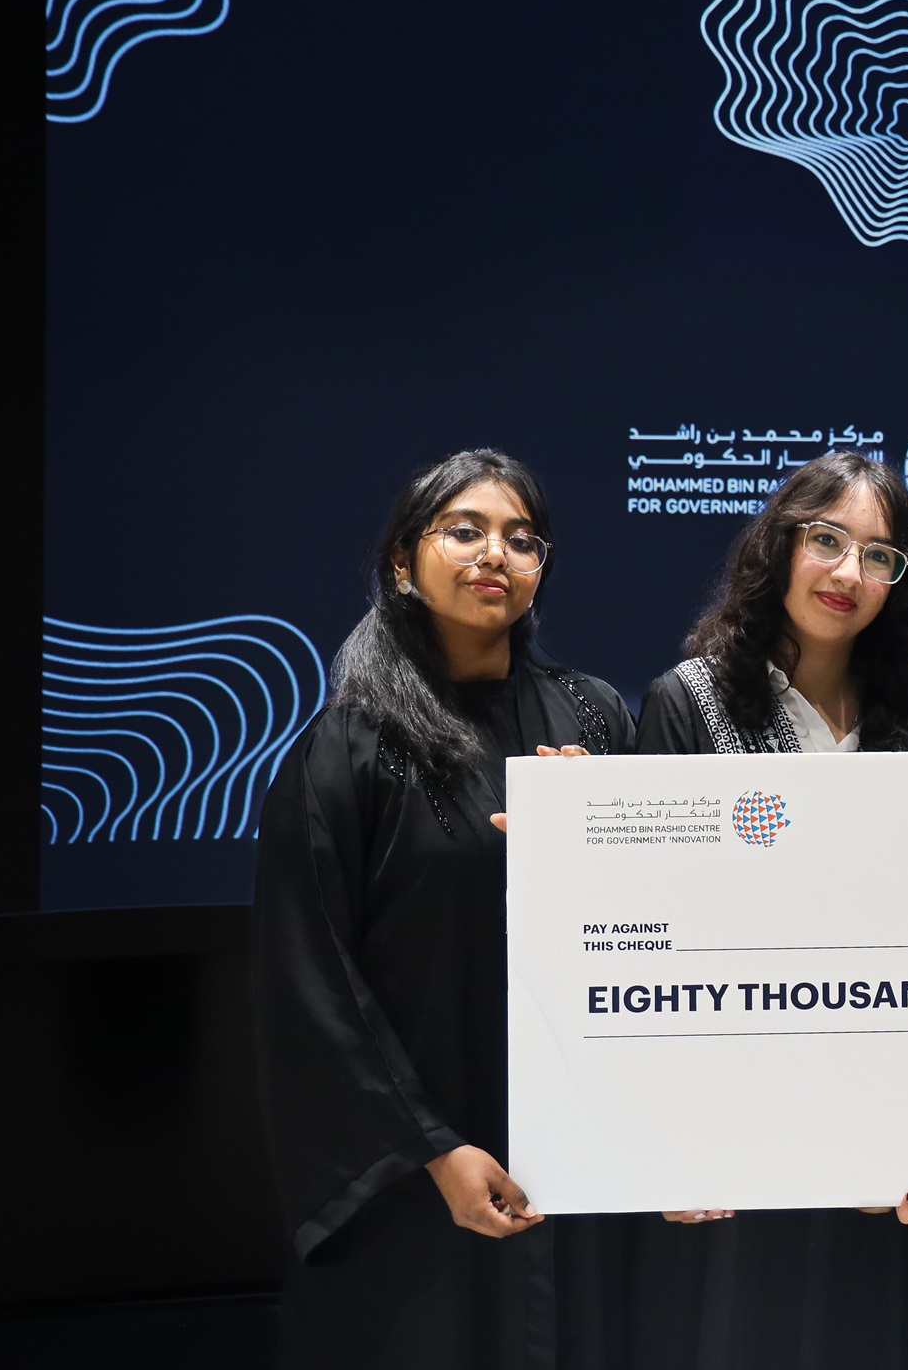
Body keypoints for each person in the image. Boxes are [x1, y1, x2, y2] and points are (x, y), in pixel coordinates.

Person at [560, 450, 908, 1370]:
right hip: (730, 1134)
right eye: (827, 540)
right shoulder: (689, 701)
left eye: (878, 555)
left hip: (884, 1133)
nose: (848, 572)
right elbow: (652, 939)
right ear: (780, 546)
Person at [253, 449, 633, 1370]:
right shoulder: (347, 749)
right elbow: (314, 979)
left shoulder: (595, 719)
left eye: (521, 538)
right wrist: (433, 1149)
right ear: (402, 563)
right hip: (417, 1177)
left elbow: (654, 929)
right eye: (464, 531)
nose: (495, 553)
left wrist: (609, 828)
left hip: (580, 1154)